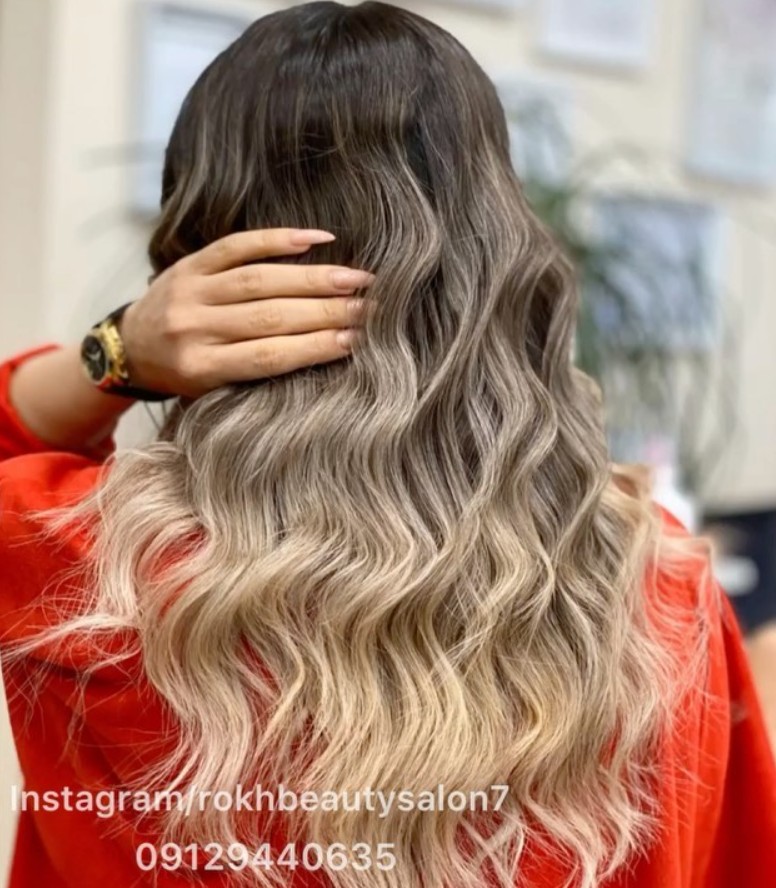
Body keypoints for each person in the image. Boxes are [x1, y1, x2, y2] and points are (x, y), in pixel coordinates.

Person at [1, 3, 775, 887]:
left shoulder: (75, 567)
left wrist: (116, 352)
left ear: (196, 259)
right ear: (498, 254)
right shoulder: (662, 593)